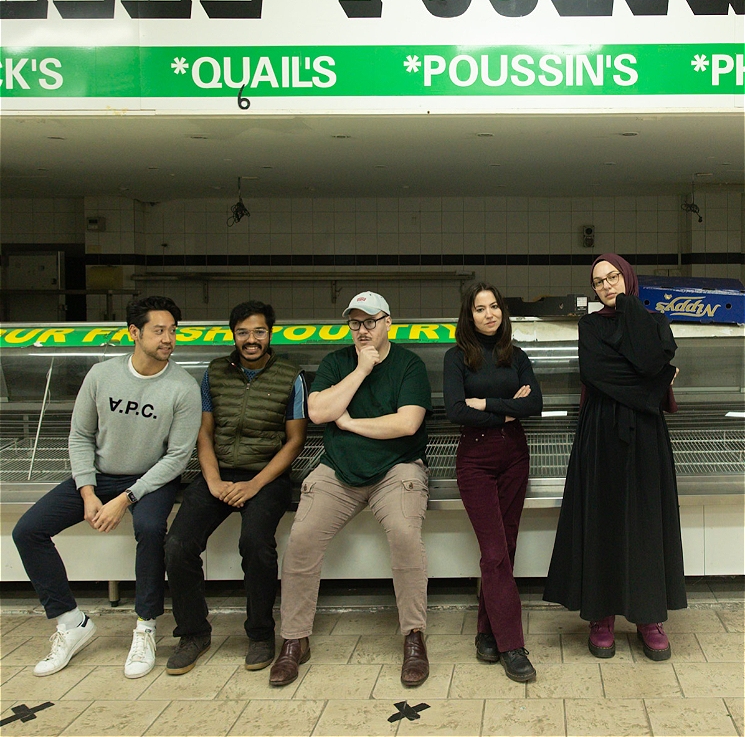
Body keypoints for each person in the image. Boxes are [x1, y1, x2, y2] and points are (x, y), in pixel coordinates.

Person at [12, 296, 201, 679]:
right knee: (28, 531)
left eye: (173, 331)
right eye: (159, 330)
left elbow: (177, 458)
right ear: (134, 333)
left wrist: (124, 499)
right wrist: (87, 491)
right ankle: (71, 622)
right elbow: (80, 434)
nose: (168, 339)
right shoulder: (101, 376)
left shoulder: (183, 387)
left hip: (151, 477)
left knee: (150, 529)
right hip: (99, 475)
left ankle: (146, 626)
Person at [268, 290, 431, 688]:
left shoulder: (410, 364)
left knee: (406, 537)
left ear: (388, 322)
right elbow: (319, 411)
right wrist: (360, 370)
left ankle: (414, 636)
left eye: (370, 322)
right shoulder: (337, 361)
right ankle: (294, 639)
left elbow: (406, 424)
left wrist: (352, 423)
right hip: (338, 470)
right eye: (355, 323)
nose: (362, 330)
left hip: (397, 468)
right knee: (302, 539)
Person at [543, 253, 686, 661]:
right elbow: (599, 373)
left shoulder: (653, 320)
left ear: (628, 278)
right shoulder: (588, 325)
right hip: (602, 430)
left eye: (612, 278)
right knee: (602, 520)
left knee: (646, 521)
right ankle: (601, 616)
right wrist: (654, 385)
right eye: (598, 282)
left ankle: (649, 618)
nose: (606, 286)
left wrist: (629, 313)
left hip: (644, 435)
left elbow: (651, 358)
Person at [164, 300, 308, 675]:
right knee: (178, 544)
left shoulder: (291, 376)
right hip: (218, 472)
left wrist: (254, 484)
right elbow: (205, 432)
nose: (251, 339)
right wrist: (212, 480)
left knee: (256, 544)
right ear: (233, 335)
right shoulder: (214, 373)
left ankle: (260, 634)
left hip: (267, 476)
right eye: (243, 332)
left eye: (259, 331)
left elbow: (294, 441)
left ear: (270, 334)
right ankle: (193, 632)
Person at [443, 282, 542, 682]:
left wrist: (485, 404)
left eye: (494, 306)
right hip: (476, 461)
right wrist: (507, 411)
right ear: (469, 316)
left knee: (507, 546)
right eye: (480, 308)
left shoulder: (515, 355)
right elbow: (454, 410)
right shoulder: (456, 358)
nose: (489, 314)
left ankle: (486, 631)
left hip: (515, 457)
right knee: (495, 551)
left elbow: (534, 404)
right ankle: (511, 645)